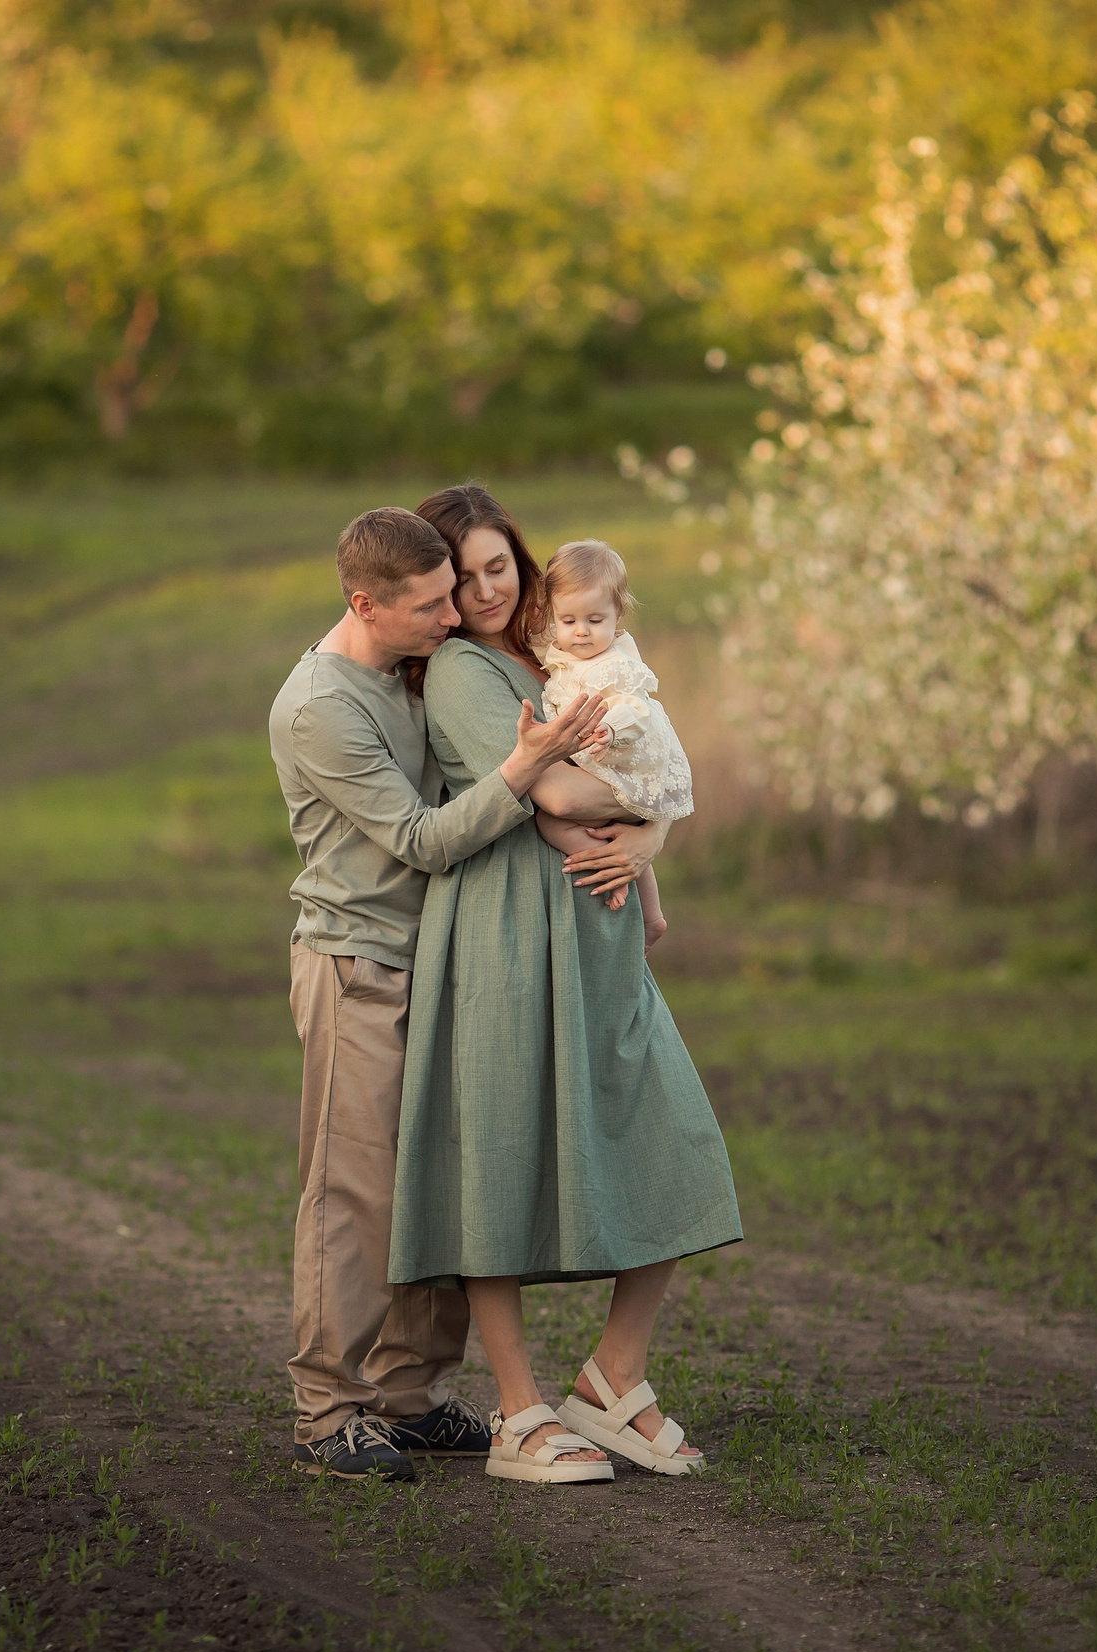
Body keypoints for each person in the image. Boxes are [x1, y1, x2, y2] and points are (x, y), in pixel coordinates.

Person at [394, 484, 743, 1484]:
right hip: (504, 933)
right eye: (462, 577)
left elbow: (622, 778)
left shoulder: (557, 657)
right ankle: (518, 1412)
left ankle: (611, 1378)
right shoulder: (461, 670)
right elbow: (555, 789)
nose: (484, 590)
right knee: (497, 1157)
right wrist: (656, 804)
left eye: (498, 566)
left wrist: (651, 839)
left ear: (526, 565)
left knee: (672, 1134)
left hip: (594, 927)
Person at [266, 505, 610, 1480]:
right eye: (428, 606)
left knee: (440, 1177)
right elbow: (420, 839)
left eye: (451, 596)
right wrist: (527, 765)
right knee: (355, 1192)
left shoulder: (409, 670)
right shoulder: (319, 707)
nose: (452, 617)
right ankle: (327, 1411)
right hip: (358, 965)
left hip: (444, 960)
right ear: (363, 603)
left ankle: (408, 1396)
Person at [535, 538, 695, 950]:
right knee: (621, 832)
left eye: (595, 619)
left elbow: (636, 710)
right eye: (568, 620)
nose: (581, 631)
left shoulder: (617, 666)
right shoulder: (563, 648)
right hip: (597, 763)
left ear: (617, 614)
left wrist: (611, 727)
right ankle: (651, 916)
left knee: (550, 823)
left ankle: (611, 875)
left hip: (621, 759)